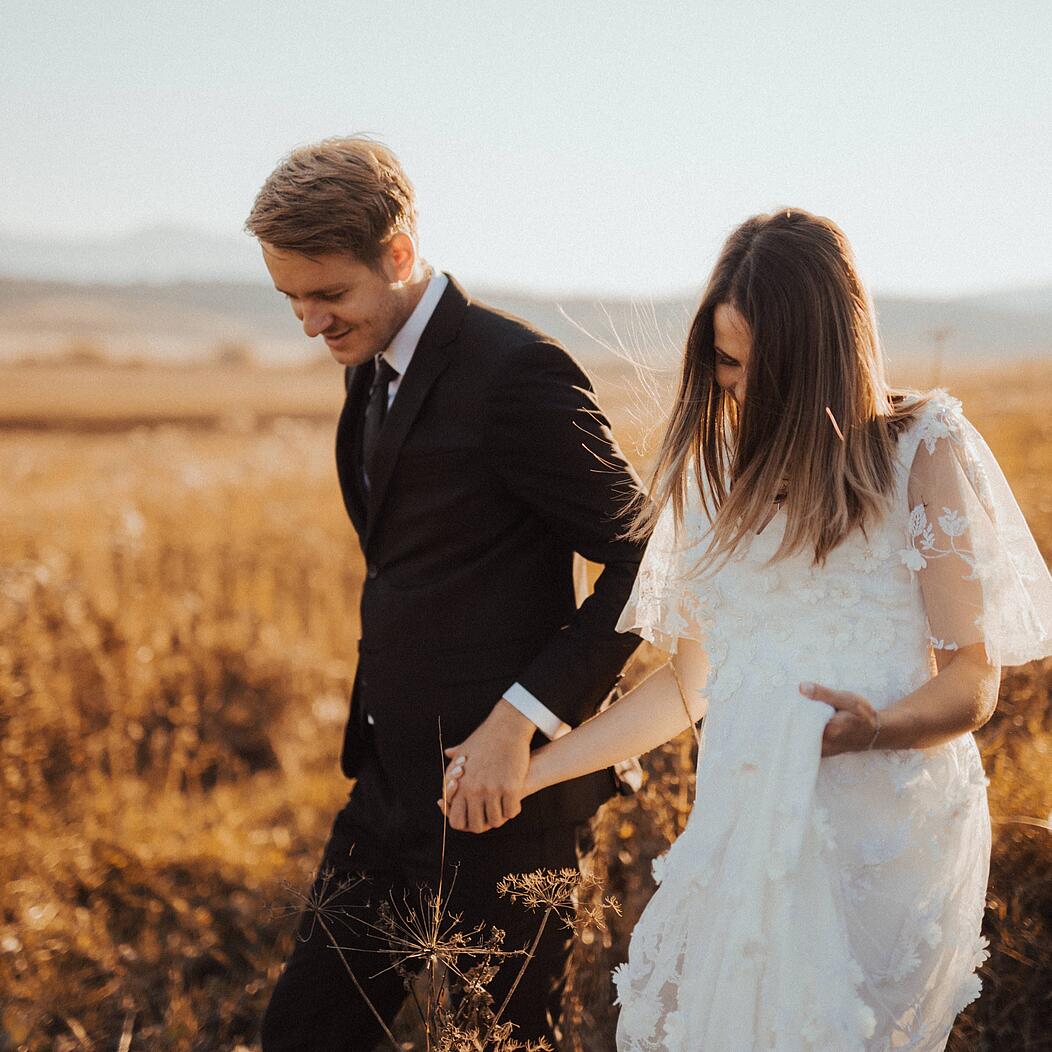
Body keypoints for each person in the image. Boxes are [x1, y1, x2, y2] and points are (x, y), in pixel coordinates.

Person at [444, 209, 1052, 1050]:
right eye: (728, 364)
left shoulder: (922, 449)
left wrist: (878, 728)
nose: (740, 391)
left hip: (878, 835)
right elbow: (693, 687)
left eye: (766, 370)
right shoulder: (710, 474)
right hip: (740, 824)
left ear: (825, 360)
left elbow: (971, 682)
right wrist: (533, 770)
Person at [246, 137, 646, 1051]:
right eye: (291, 300)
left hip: (508, 804)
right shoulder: (369, 362)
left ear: (397, 253)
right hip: (387, 792)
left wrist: (522, 720)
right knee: (303, 1037)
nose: (310, 323)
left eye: (328, 294)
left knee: (492, 1045)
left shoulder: (517, 372)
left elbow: (646, 562)